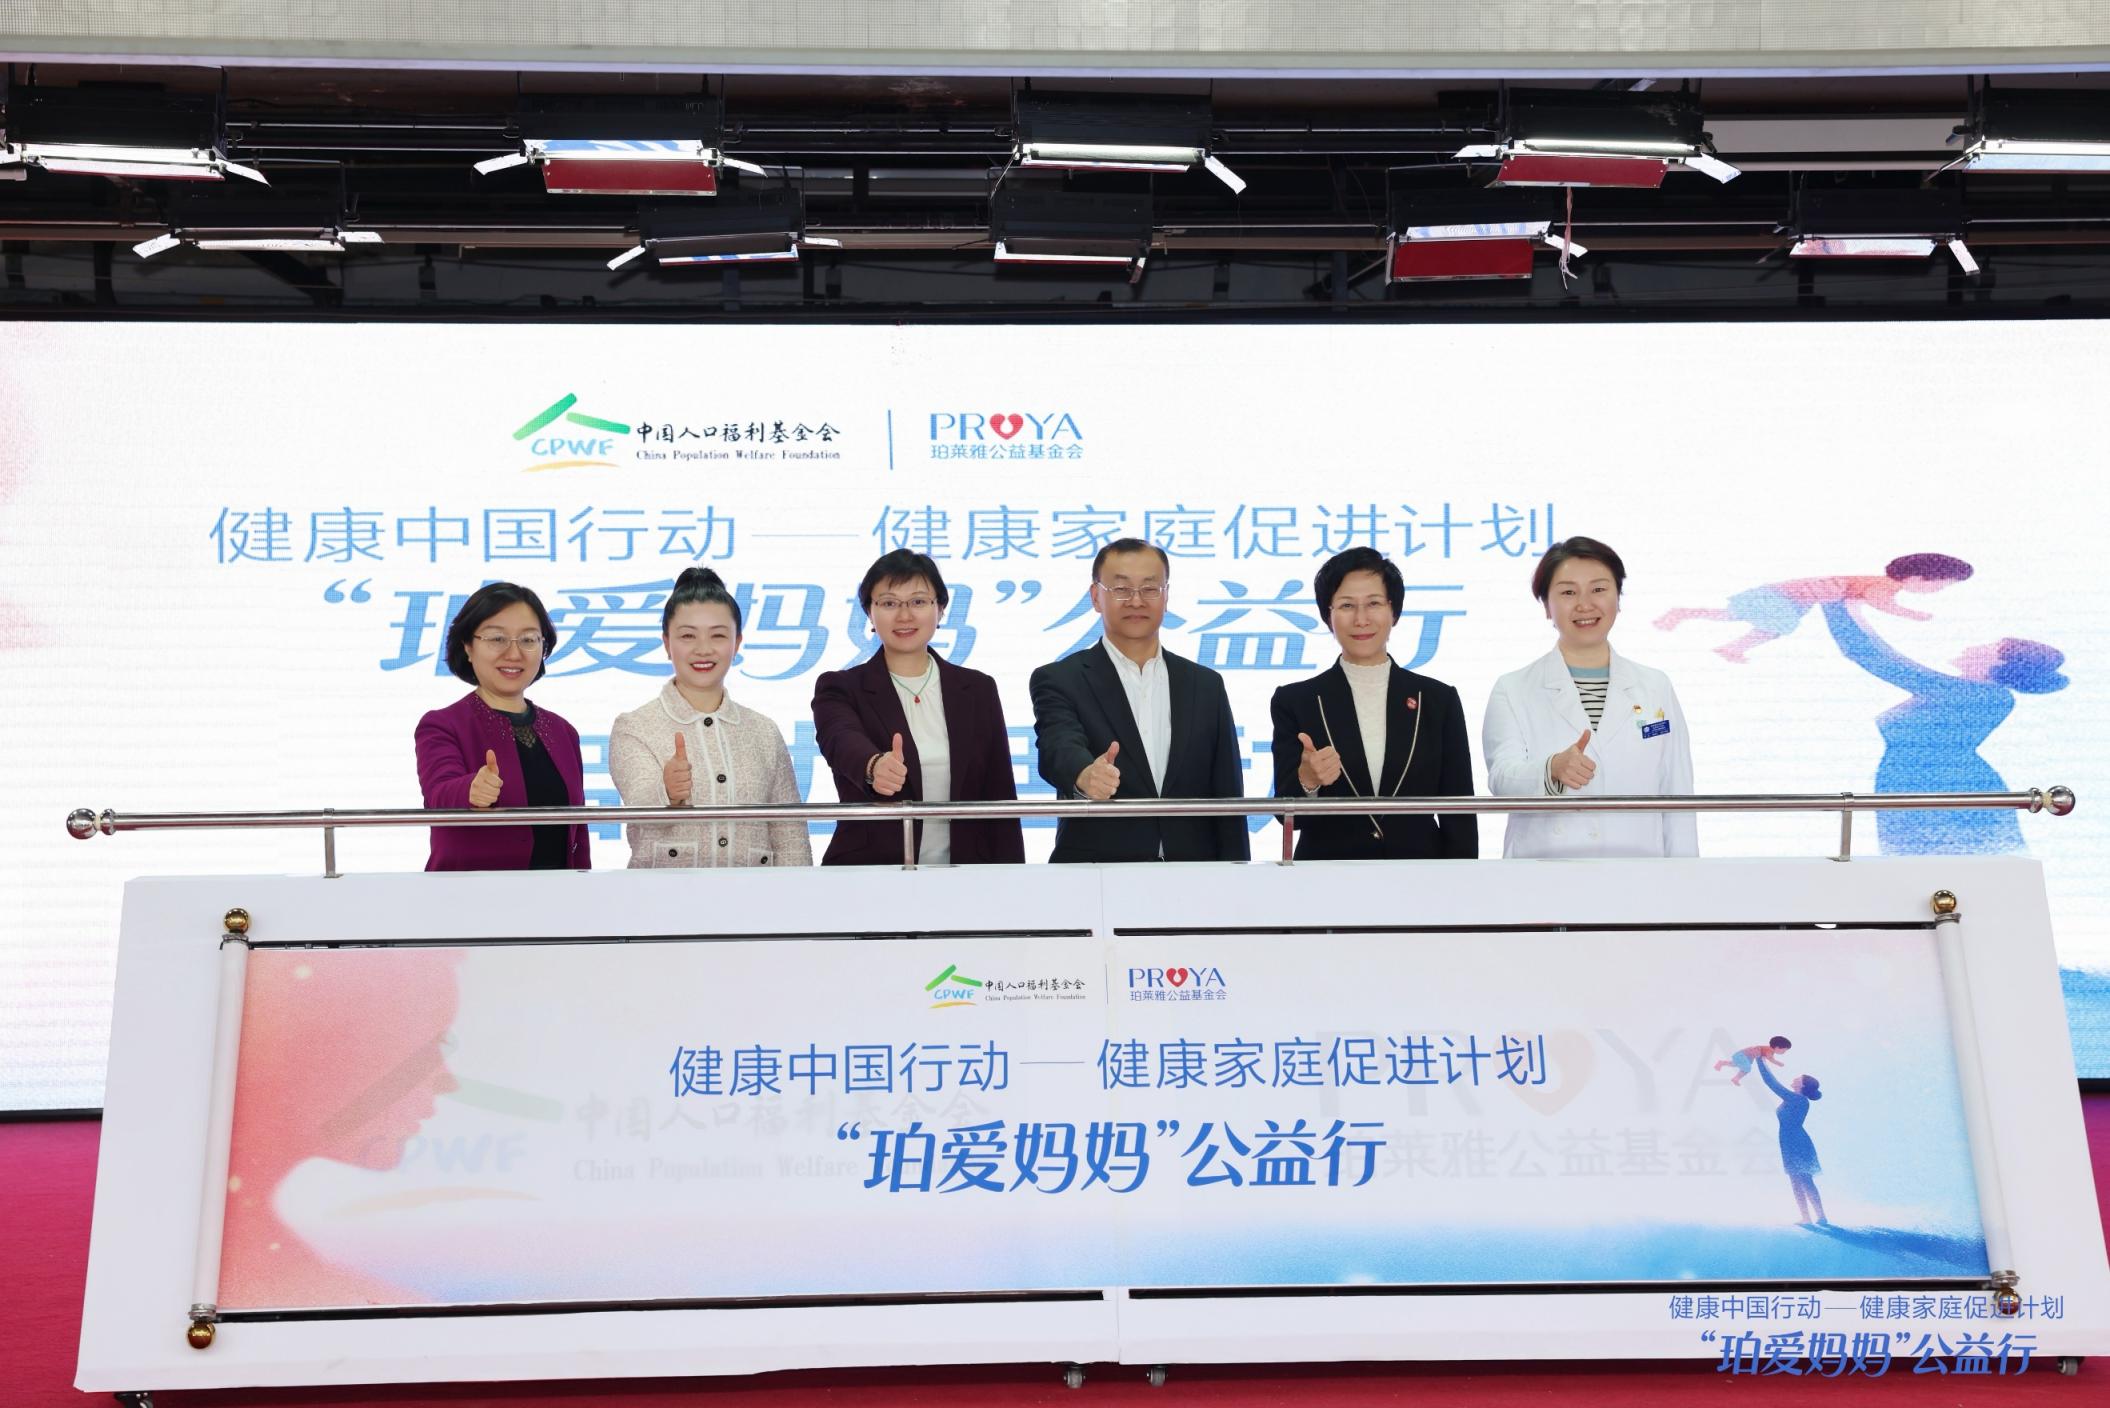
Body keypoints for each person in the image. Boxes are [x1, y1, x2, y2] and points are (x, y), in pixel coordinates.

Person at [1030, 538, 1250, 863]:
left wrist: (1238, 871)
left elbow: (1228, 796)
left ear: (1166, 596)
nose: (1136, 600)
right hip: (1097, 871)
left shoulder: (1205, 684)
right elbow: (1057, 746)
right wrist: (1084, 774)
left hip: (1195, 871)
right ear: (1096, 597)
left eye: (1150, 589)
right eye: (1121, 589)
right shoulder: (1061, 679)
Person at [1483, 537, 1696, 858]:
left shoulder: (1655, 686)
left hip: (1639, 871)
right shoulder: (1513, 688)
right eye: (1568, 592)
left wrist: (1686, 877)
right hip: (1545, 871)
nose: (1584, 604)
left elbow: (1677, 794)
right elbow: (1501, 779)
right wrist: (1551, 769)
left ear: (1618, 598)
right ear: (1546, 606)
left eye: (1598, 589)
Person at [812, 550, 1024, 866]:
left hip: (968, 874)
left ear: (940, 609)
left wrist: (1013, 877)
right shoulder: (841, 687)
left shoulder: (978, 689)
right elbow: (841, 739)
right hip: (870, 873)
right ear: (869, 612)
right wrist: (874, 765)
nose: (904, 615)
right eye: (889, 603)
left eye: (918, 601)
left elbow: (1000, 795)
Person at [1268, 547, 1477, 860]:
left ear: (1394, 611)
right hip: (1327, 874)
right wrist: (1308, 781)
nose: (1361, 619)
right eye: (1346, 605)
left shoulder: (1437, 699)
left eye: (1374, 604)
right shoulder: (1296, 700)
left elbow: (1459, 811)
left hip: (1420, 874)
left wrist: (1464, 880)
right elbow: (1286, 815)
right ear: (1328, 615)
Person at [1820, 599, 2068, 854]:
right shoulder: (1978, 694)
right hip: (1920, 779)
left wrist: (1835, 603)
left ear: (1999, 663)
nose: (1975, 646)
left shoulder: (1982, 696)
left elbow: (1875, 657)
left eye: (1991, 647)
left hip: (1942, 783)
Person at [608, 568, 812, 869]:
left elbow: (790, 834)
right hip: (661, 895)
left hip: (756, 895)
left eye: (718, 635)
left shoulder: (764, 731)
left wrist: (800, 892)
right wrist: (667, 791)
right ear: (666, 643)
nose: (703, 649)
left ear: (737, 643)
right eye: (687, 636)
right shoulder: (635, 726)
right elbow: (639, 804)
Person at [414, 582, 590, 871]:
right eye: (497, 638)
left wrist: (584, 885)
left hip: (558, 894)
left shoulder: (563, 731)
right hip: (471, 892)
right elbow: (438, 795)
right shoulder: (442, 725)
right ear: (468, 647)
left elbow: (578, 833)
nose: (514, 653)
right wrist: (470, 789)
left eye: (528, 639)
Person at [1654, 552, 1974, 663]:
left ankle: (1696, 622)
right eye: (1940, 584)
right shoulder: (1884, 586)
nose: (1938, 591)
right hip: (1786, 599)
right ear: (1918, 578)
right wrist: (1912, 614)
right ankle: (1718, 638)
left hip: (1790, 599)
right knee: (1765, 625)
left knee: (1740, 618)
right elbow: (1881, 603)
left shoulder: (1875, 581)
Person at [1757, 1060, 1828, 1226]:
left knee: (1805, 1179)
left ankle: (1821, 1216)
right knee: (1795, 1181)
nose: (1795, 1078)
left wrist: (1760, 1059)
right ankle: (1806, 1217)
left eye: (1799, 1078)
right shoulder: (1795, 1098)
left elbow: (1771, 1083)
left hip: (1797, 1141)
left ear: (1802, 1085)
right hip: (1788, 1142)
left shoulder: (1798, 1099)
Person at [1715, 1035, 1793, 1087]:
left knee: (1734, 1064)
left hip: (1743, 1055)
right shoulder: (1769, 1051)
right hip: (1743, 1056)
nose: (1784, 1052)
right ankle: (1736, 1078)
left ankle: (1721, 1063)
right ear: (1777, 1047)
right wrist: (1778, 1063)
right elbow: (1771, 1059)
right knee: (1746, 1068)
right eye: (1784, 1050)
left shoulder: (1767, 1049)